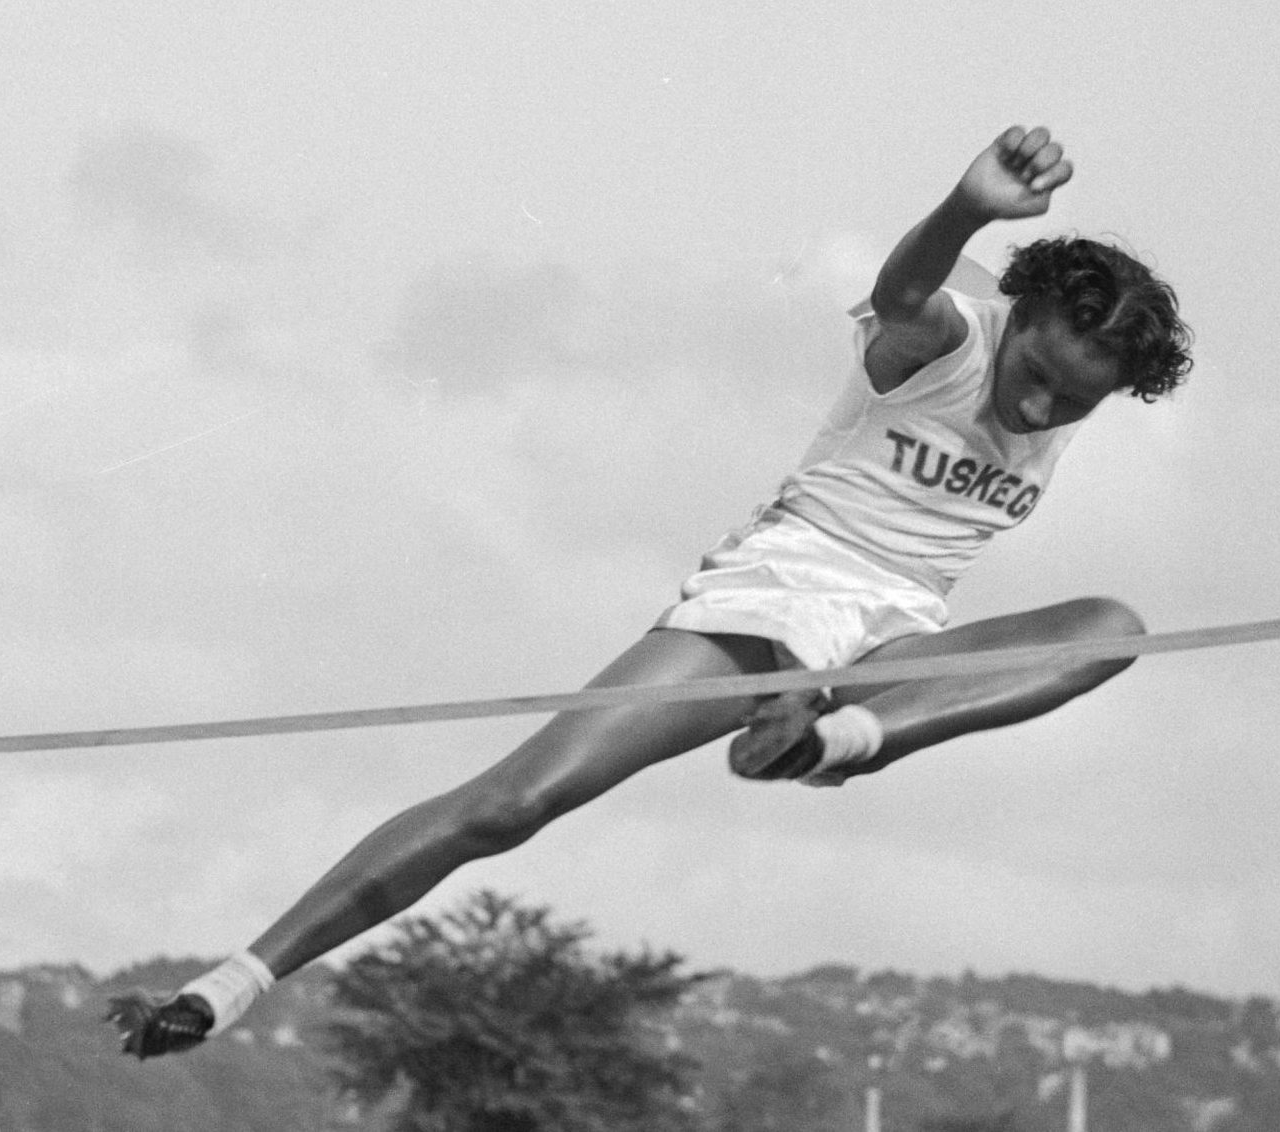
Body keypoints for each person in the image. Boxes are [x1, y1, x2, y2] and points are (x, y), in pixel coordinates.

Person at [109, 124, 1193, 1058]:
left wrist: (851, 702)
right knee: (512, 803)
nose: (1041, 411)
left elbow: (1054, 405)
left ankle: (825, 741)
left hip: (893, 642)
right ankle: (232, 984)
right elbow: (908, 288)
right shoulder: (948, 339)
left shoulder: (1066, 384)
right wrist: (965, 206)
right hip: (778, 595)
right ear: (1019, 318)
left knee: (1111, 629)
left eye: (1074, 404)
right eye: (1036, 377)